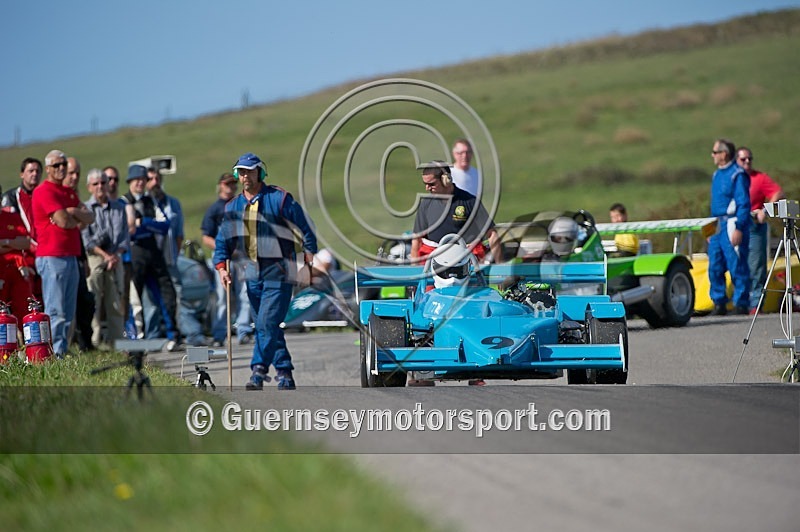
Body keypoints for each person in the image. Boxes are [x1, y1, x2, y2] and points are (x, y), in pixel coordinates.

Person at [213, 152, 317, 390]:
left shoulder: (279, 199)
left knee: (265, 324)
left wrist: (308, 261)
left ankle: (258, 371)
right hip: (251, 272)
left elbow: (306, 228)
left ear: (260, 172)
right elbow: (222, 242)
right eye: (241, 172)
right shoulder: (233, 206)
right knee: (267, 324)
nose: (244, 176)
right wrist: (221, 267)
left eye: (249, 171)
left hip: (279, 271)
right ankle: (284, 372)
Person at [31, 150, 94, 356]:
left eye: (63, 165)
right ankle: (52, 352)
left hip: (71, 255)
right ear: (48, 169)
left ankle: (62, 349)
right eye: (56, 165)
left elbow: (90, 217)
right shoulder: (44, 191)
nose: (61, 169)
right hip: (52, 255)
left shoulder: (68, 192)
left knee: (68, 311)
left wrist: (74, 212)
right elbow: (62, 221)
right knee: (55, 309)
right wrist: (73, 217)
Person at [121, 164, 180, 351]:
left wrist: (143, 224)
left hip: (153, 252)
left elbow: (165, 225)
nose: (140, 183)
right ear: (130, 182)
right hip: (134, 254)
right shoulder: (123, 202)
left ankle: (172, 335)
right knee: (133, 298)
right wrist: (143, 227)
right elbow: (127, 230)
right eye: (136, 180)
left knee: (166, 293)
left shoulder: (151, 201)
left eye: (143, 180)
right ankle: (135, 339)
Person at [410, 161, 501, 264]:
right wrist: (414, 269)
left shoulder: (469, 201)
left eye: (431, 184)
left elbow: (492, 235)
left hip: (465, 260)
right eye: (425, 184)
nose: (427, 188)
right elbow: (416, 239)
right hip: (433, 261)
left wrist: (500, 266)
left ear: (446, 180)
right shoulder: (425, 204)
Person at [201, 172, 254, 347]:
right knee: (222, 298)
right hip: (223, 259)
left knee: (244, 294)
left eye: (233, 184)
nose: (230, 187)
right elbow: (206, 237)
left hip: (241, 257)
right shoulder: (215, 209)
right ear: (221, 186)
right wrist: (222, 248)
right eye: (227, 184)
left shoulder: (241, 206)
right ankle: (219, 333)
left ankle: (244, 330)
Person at [81, 168, 129, 348]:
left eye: (103, 182)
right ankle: (94, 341)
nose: (100, 186)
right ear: (89, 187)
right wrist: (105, 256)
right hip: (95, 257)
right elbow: (87, 239)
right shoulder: (85, 209)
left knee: (116, 301)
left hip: (116, 259)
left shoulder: (119, 207)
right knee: (94, 300)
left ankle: (118, 343)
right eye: (96, 184)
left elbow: (124, 237)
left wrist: (115, 256)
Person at [737, 147, 784, 313]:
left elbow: (777, 192)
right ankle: (739, 302)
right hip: (735, 223)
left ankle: (756, 304)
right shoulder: (731, 178)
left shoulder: (759, 178)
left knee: (756, 265)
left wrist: (765, 209)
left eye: (749, 159)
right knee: (737, 264)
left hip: (753, 223)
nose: (747, 162)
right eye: (743, 159)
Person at [141, 166, 185, 340]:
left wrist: (175, 255)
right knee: (150, 300)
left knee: (177, 296)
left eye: (158, 178)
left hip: (169, 258)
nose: (155, 182)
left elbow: (179, 233)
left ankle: (177, 333)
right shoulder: (143, 204)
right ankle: (153, 337)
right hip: (150, 259)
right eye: (151, 179)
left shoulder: (173, 203)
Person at [708, 139, 751, 316]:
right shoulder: (716, 175)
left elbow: (743, 203)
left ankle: (741, 303)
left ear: (724, 154)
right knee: (715, 265)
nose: (712, 156)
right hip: (717, 224)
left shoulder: (737, 175)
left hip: (732, 223)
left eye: (715, 152)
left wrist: (739, 227)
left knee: (736, 264)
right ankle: (719, 302)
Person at [65, 157, 96, 350]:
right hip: (58, 254)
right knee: (65, 304)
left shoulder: (73, 196)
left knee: (85, 300)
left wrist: (84, 258)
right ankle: (66, 346)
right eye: (71, 173)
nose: (75, 177)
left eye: (77, 173)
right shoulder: (58, 194)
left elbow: (85, 221)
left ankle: (85, 343)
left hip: (77, 253)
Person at [0, 185, 38, 320]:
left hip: (18, 268)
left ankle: (26, 338)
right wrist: (14, 243)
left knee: (24, 307)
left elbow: (26, 242)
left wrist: (5, 242)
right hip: (1, 270)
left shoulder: (12, 217)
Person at [2, 157, 42, 242]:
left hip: (43, 245)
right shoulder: (11, 197)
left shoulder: (46, 195)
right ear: (22, 174)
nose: (35, 174)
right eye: (31, 171)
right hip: (21, 246)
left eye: (37, 171)